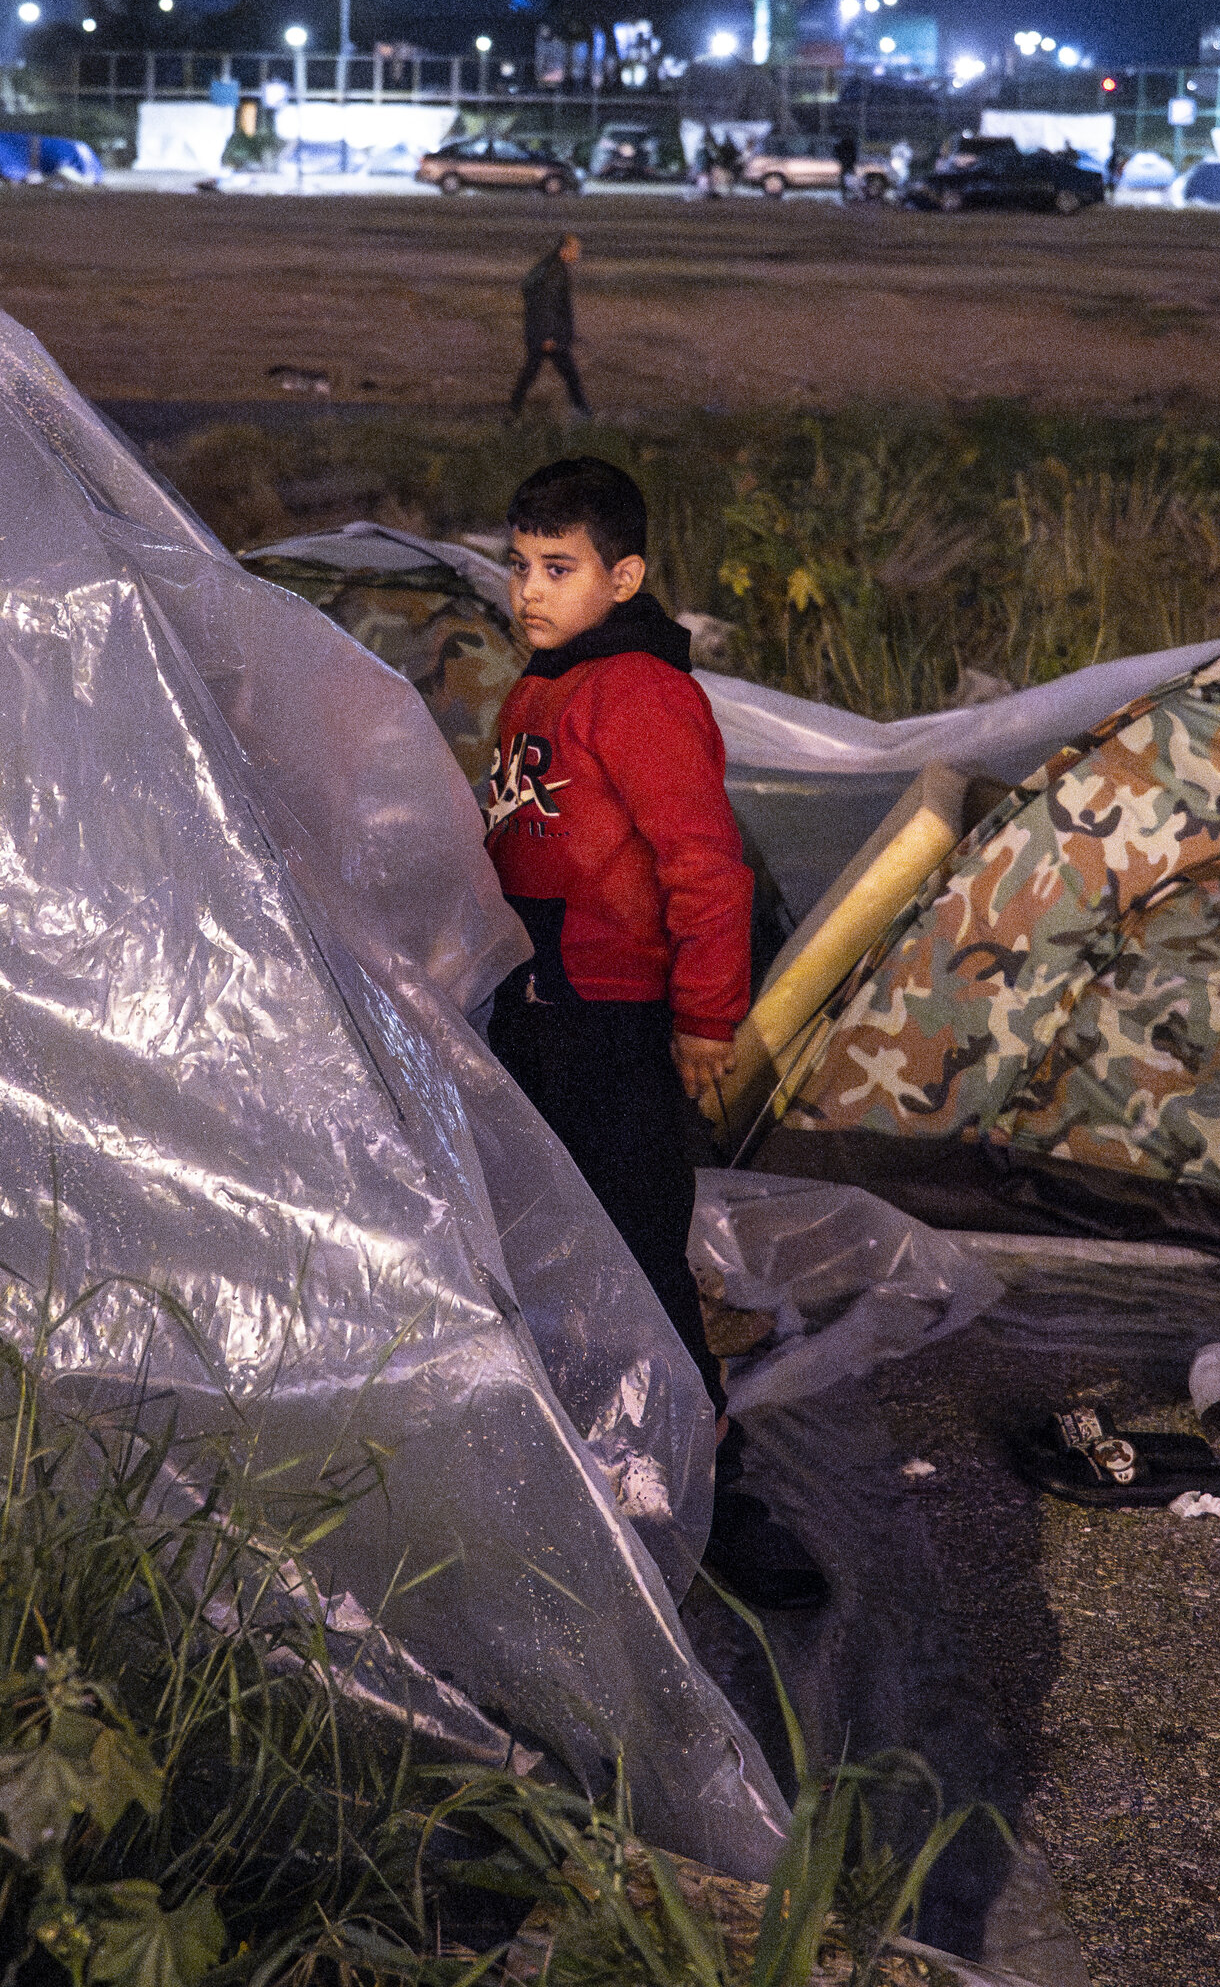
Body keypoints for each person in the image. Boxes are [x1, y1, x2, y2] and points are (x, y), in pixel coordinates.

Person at [479, 455, 825, 1611]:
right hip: (538, 1013)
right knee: (550, 1247)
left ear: (622, 576)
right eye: (518, 565)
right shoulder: (541, 683)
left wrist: (703, 1022)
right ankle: (593, 1459)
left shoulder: (634, 690)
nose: (529, 590)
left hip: (615, 1022)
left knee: (635, 1250)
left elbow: (704, 871)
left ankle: (713, 1488)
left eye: (558, 569)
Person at [505, 235, 587, 418]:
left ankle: (513, 410)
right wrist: (548, 336)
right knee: (569, 373)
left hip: (541, 333)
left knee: (532, 372)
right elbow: (546, 306)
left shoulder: (551, 268)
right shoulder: (555, 273)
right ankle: (582, 412)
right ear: (564, 251)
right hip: (549, 336)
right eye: (576, 250)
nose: (578, 255)